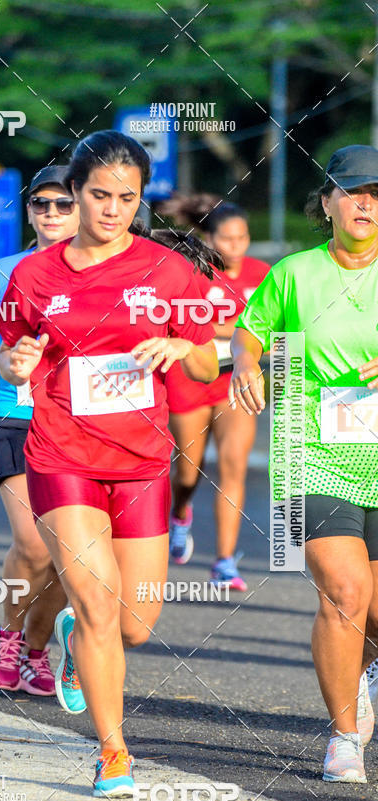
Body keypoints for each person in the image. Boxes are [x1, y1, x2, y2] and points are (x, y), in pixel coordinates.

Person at [0, 130, 218, 797]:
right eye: (99, 195)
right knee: (97, 602)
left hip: (143, 459)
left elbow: (210, 359)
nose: (113, 208)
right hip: (62, 451)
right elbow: (10, 353)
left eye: (127, 197)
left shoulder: (169, 272)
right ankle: (114, 752)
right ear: (77, 191)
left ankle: (68, 633)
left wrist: (181, 349)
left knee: (135, 624)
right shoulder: (33, 275)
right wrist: (16, 363)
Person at [230, 144, 378, 783]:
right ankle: (345, 735)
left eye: (376, 192)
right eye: (351, 190)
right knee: (344, 593)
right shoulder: (293, 273)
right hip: (311, 450)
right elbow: (250, 328)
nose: (365, 201)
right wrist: (244, 363)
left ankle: (364, 670)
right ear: (327, 204)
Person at [0, 165, 80, 697]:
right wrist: (2, 359)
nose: (51, 214)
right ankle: (8, 634)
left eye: (63, 204)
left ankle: (36, 646)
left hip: (82, 421)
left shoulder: (113, 274)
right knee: (32, 544)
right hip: (17, 416)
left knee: (65, 554)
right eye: (41, 204)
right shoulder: (3, 269)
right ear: (28, 211)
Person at [165, 203, 269, 590]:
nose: (236, 245)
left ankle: (224, 561)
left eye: (242, 237)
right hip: (191, 376)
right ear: (209, 239)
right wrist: (237, 330)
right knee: (188, 470)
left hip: (236, 380)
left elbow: (274, 326)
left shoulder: (263, 275)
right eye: (226, 238)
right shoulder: (189, 271)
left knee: (233, 467)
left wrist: (230, 333)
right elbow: (183, 326)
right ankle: (180, 513)